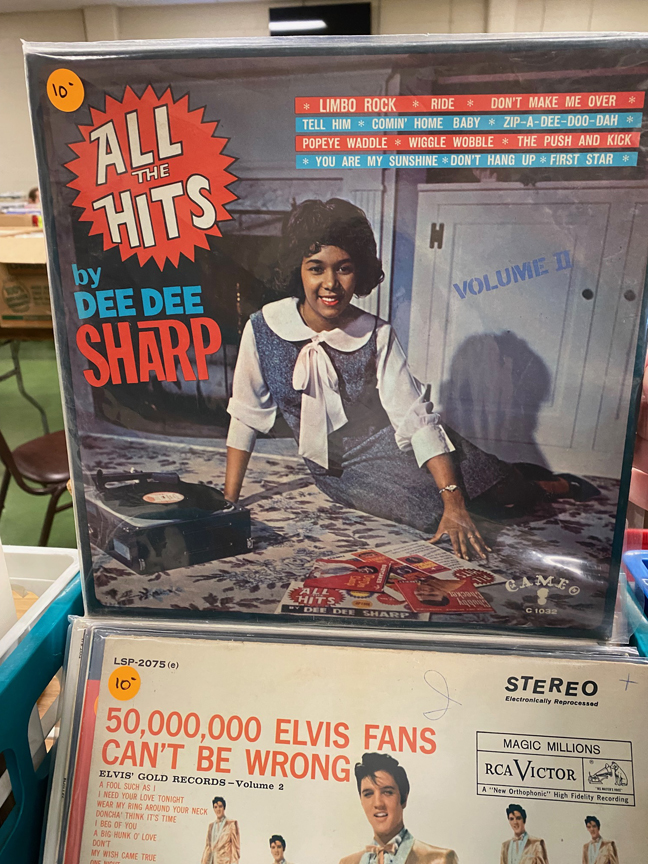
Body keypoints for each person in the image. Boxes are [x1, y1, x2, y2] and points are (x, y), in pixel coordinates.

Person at [225, 198, 584, 561]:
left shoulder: (376, 333)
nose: (330, 284)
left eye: (344, 268)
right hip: (338, 470)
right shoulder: (262, 328)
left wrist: (454, 500)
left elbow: (413, 417)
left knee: (502, 493)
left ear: (358, 272)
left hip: (396, 442)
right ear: (297, 270)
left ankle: (549, 484)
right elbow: (245, 416)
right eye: (316, 269)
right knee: (443, 516)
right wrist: (229, 502)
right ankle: (499, 484)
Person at [339, 752, 458, 864]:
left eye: (387, 792)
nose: (378, 803)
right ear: (361, 801)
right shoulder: (347, 863)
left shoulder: (439, 860)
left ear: (404, 798)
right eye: (368, 794)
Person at [201, 796, 240, 864]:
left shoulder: (231, 824)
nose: (218, 809)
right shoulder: (211, 826)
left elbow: (235, 849)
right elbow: (208, 847)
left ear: (224, 808)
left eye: (220, 806)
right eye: (215, 807)